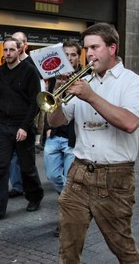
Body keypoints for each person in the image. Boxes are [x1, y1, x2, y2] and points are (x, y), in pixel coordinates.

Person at [47, 23, 139, 262]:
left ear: (112, 48)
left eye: (95, 47)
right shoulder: (83, 81)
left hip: (115, 177)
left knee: (122, 247)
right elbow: (56, 121)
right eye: (86, 49)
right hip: (79, 173)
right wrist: (57, 97)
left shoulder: (131, 82)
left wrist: (91, 97)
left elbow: (130, 123)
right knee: (67, 247)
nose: (89, 54)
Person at [0, 37, 44, 223]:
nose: (8, 53)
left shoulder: (30, 71)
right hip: (3, 125)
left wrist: (25, 127)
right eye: (5, 50)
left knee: (27, 167)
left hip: (22, 125)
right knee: (0, 168)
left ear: (19, 50)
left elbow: (35, 102)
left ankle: (35, 196)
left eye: (12, 50)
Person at [42, 40, 82, 237]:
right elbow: (47, 105)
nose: (69, 58)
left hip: (73, 140)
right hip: (55, 135)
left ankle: (64, 220)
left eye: (73, 54)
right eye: (66, 55)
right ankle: (70, 204)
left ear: (78, 57)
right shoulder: (55, 77)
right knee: (53, 177)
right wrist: (48, 128)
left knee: (69, 183)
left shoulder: (86, 78)